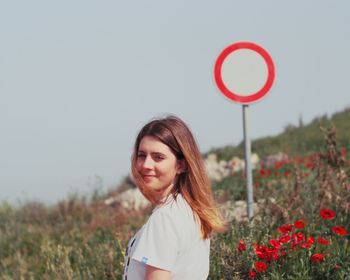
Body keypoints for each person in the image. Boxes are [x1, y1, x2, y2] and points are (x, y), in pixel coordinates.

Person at [123, 115, 227, 280]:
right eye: (142, 155)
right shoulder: (192, 211)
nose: (146, 164)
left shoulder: (165, 217)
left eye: (158, 157)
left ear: (181, 165)